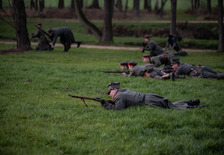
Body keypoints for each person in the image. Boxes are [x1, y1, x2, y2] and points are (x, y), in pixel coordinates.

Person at [101, 82, 204, 110]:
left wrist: (105, 104)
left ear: (115, 89)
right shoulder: (123, 91)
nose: (110, 95)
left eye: (110, 92)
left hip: (149, 102)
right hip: (149, 96)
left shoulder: (119, 96)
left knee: (173, 108)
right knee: (170, 103)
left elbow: (118, 109)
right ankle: (192, 101)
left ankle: (195, 107)